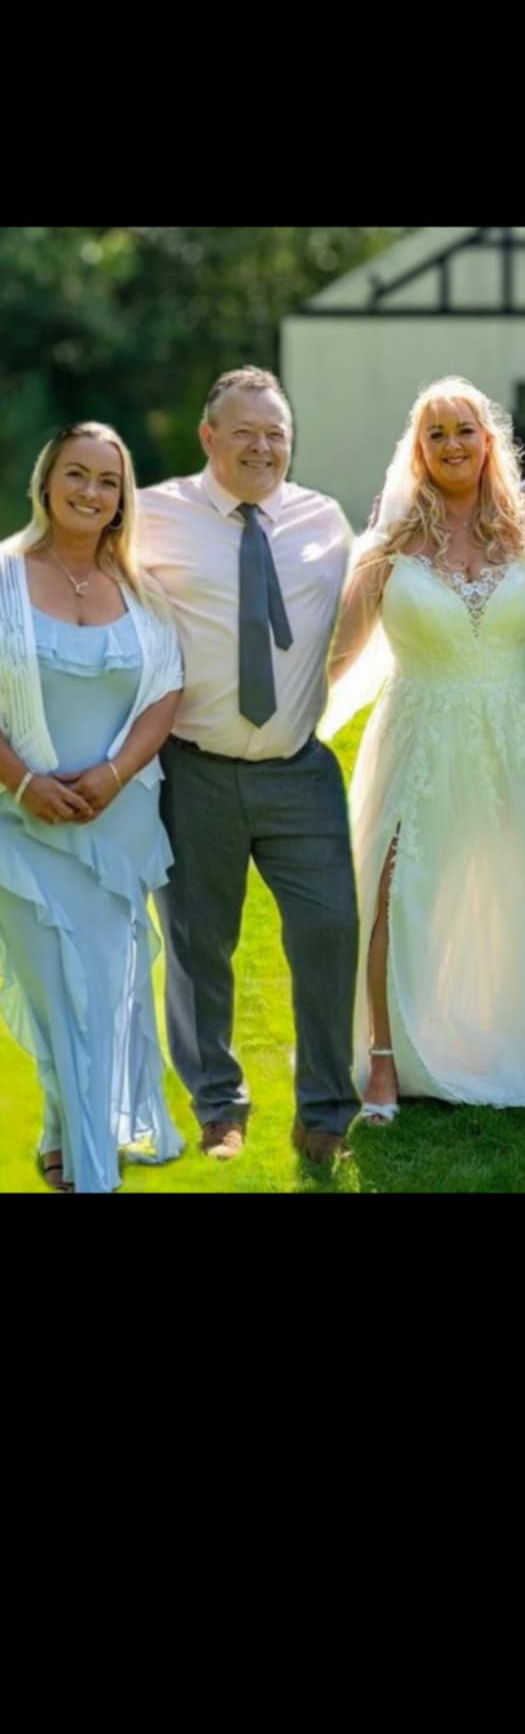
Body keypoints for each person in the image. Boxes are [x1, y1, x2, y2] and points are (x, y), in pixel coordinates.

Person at [327, 376, 525, 1131]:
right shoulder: (390, 543)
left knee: (520, 893)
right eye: (434, 433)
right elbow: (337, 656)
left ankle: (512, 1033)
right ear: (417, 451)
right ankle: (381, 1057)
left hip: (516, 739)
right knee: (395, 891)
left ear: (487, 440)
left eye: (463, 429)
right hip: (420, 738)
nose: (451, 445)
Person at [137, 368, 359, 1167]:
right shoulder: (153, 514)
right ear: (209, 437)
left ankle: (327, 1111)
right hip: (192, 768)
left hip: (299, 769)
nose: (263, 446)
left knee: (331, 930)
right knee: (199, 943)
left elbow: (364, 604)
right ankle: (218, 1103)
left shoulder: (323, 520)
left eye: (276, 434)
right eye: (245, 431)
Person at [0, 422, 184, 1194]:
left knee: (104, 996)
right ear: (46, 482)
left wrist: (114, 774)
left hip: (115, 826)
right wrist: (21, 783)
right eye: (76, 475)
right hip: (22, 827)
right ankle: (90, 1172)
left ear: (121, 499)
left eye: (107, 482)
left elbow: (166, 689)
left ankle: (62, 1135)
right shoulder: (5, 576)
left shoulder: (142, 589)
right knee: (56, 996)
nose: (90, 492)